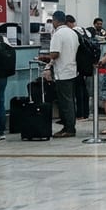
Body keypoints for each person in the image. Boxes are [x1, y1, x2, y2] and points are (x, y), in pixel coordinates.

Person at [42, 10, 79, 138]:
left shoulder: (58, 34)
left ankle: (69, 129)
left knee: (65, 102)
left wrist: (45, 58)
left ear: (55, 21)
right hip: (72, 70)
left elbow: (55, 53)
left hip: (62, 72)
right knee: (69, 101)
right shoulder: (72, 32)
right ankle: (68, 126)